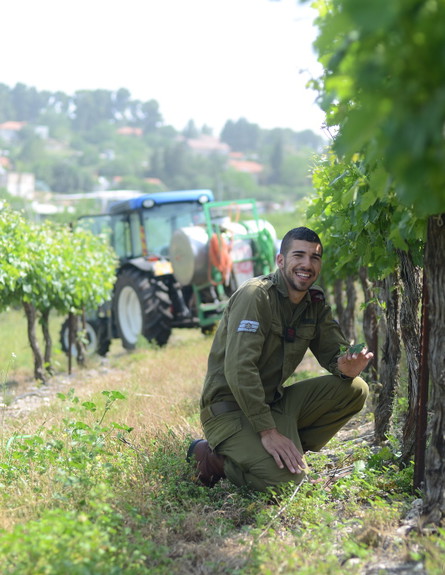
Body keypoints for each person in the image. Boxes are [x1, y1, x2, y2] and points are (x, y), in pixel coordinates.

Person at [187, 226, 373, 492]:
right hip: (229, 411)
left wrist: (346, 366)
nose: (307, 264)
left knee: (355, 389)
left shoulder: (315, 303)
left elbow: (335, 353)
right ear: (281, 260)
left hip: (272, 403)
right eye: (299, 255)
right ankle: (214, 460)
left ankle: (285, 453)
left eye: (314, 257)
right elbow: (239, 369)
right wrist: (268, 432)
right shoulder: (256, 296)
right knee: (287, 485)